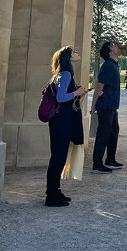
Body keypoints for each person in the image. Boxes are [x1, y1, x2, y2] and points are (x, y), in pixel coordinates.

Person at [45, 46, 87, 206]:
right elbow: (62, 98)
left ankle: (55, 191)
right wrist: (76, 93)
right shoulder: (66, 74)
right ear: (69, 57)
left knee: (58, 157)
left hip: (59, 120)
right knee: (58, 158)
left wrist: (79, 92)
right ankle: (51, 195)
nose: (77, 53)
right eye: (74, 52)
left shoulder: (61, 74)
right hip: (61, 121)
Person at [91, 40, 123, 174]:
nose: (116, 46)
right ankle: (97, 164)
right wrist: (93, 106)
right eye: (113, 46)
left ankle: (110, 159)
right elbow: (99, 87)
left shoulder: (114, 65)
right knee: (103, 134)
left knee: (113, 131)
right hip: (105, 105)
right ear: (111, 52)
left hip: (111, 105)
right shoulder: (108, 66)